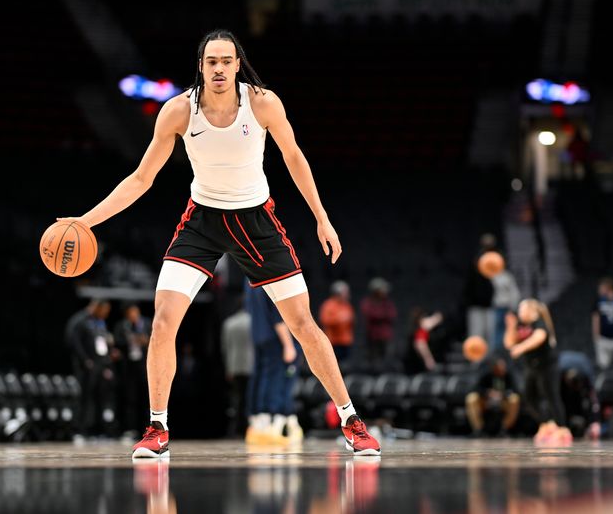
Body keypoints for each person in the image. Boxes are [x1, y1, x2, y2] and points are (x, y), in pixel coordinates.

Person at [58, 29, 380, 458]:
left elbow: (294, 158)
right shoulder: (178, 111)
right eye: (211, 62)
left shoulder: (263, 102)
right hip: (203, 220)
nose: (219, 69)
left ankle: (351, 420)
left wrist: (322, 218)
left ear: (237, 64)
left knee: (303, 324)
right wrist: (86, 221)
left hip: (256, 220)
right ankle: (157, 428)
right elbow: (140, 179)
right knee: (163, 320)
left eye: (226, 61)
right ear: (201, 67)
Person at [504, 298, 571, 446]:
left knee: (551, 396)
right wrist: (510, 326)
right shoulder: (520, 324)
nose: (520, 311)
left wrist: (521, 348)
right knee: (528, 396)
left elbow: (538, 338)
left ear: (531, 311)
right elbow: (509, 343)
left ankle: (562, 428)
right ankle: (546, 424)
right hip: (532, 366)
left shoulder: (539, 323)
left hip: (548, 365)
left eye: (522, 308)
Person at [245, 284, 303, 446]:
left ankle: (258, 421)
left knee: (261, 377)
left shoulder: (249, 281)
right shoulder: (269, 276)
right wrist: (289, 344)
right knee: (277, 379)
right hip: (275, 337)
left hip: (259, 335)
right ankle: (272, 423)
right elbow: (278, 316)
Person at [64, 299, 118, 439]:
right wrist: (84, 360)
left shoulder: (100, 323)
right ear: (96, 307)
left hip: (100, 366)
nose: (106, 314)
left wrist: (108, 361)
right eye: (104, 310)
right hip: (86, 366)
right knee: (84, 398)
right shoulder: (80, 320)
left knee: (100, 398)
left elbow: (101, 344)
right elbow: (73, 342)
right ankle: (79, 430)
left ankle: (97, 430)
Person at [114, 302, 152, 434]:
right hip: (129, 366)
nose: (133, 316)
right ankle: (131, 428)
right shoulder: (122, 326)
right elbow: (117, 342)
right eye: (131, 314)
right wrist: (129, 341)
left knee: (146, 398)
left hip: (144, 365)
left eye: (135, 313)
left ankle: (148, 428)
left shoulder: (147, 323)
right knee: (130, 398)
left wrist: (145, 341)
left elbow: (156, 339)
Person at [220, 298, 253, 437]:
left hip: (234, 365)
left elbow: (225, 347)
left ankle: (237, 428)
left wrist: (228, 368)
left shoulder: (229, 323)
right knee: (251, 397)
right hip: (251, 364)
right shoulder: (253, 321)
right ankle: (249, 427)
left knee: (238, 398)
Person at [465, 356, 520, 437]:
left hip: (502, 402)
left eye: (503, 367)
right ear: (493, 367)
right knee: (471, 398)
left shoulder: (508, 376)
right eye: (499, 367)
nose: (501, 369)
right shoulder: (486, 375)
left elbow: (515, 390)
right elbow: (475, 388)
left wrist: (502, 394)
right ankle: (479, 429)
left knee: (515, 399)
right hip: (486, 402)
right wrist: (488, 393)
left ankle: (504, 428)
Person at [463, 233, 498, 345]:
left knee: (490, 335)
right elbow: (471, 283)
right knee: (477, 335)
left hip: (490, 304)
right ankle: (477, 362)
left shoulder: (496, 261)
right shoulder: (476, 260)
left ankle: (489, 361)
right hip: (476, 305)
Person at [360, 277, 397, 366]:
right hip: (372, 338)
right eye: (383, 289)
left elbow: (392, 315)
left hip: (386, 338)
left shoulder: (388, 303)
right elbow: (371, 315)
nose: (385, 291)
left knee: (387, 361)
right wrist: (382, 315)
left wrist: (380, 315)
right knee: (373, 362)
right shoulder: (367, 303)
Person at [319, 280, 356, 361]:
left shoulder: (347, 305)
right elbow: (325, 320)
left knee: (346, 364)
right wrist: (339, 319)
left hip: (346, 341)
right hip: (333, 341)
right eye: (345, 292)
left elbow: (351, 319)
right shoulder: (328, 305)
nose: (347, 294)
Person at [592, 277, 613, 370]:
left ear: (607, 287)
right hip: (603, 338)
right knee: (603, 366)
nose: (599, 290)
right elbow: (595, 319)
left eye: (601, 288)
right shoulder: (599, 301)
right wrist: (596, 337)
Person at [403, 307, 443, 374]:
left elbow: (437, 318)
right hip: (416, 365)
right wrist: (428, 360)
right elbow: (420, 345)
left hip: (412, 363)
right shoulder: (420, 331)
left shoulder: (418, 328)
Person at [491, 269, 520, 353]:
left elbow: (514, 293)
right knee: (496, 330)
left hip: (505, 307)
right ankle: (497, 351)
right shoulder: (492, 275)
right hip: (495, 307)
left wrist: (513, 307)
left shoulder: (507, 276)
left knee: (507, 329)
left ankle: (503, 350)